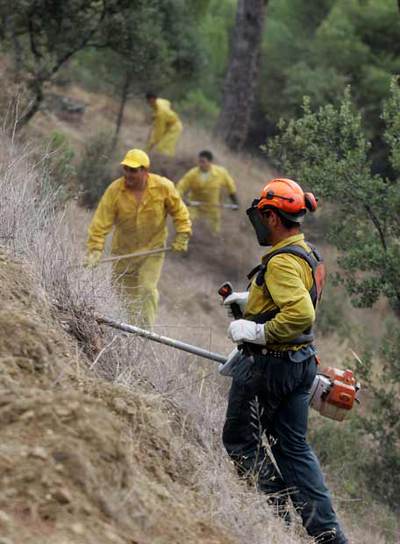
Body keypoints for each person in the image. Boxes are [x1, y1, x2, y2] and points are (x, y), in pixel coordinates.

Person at [222, 178, 348, 544]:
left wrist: (256, 332)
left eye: (263, 216)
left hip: (270, 365)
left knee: (241, 442)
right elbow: (298, 297)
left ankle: (276, 515)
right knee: (294, 448)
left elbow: (300, 313)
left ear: (273, 217)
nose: (260, 223)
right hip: (301, 363)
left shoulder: (280, 262)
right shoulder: (307, 253)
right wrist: (251, 303)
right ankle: (329, 536)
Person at [85, 149, 191, 327]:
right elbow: (100, 222)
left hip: (152, 250)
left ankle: (147, 333)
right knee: (125, 298)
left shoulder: (163, 187)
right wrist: (95, 250)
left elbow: (180, 212)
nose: (128, 174)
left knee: (147, 290)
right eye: (125, 169)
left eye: (133, 170)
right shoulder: (115, 191)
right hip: (123, 252)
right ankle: (132, 334)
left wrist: (183, 234)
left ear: (145, 171)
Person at [176, 150, 239, 235]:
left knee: (214, 231)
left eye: (203, 162)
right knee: (188, 223)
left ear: (210, 162)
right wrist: (179, 198)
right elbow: (181, 186)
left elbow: (230, 186)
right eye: (199, 161)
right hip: (194, 206)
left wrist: (234, 201)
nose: (200, 164)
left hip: (212, 207)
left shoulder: (221, 173)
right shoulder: (192, 173)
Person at [145, 92, 183, 157]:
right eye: (148, 101)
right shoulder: (159, 101)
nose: (149, 104)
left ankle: (169, 161)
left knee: (162, 147)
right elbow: (167, 102)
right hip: (167, 124)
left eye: (150, 101)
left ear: (153, 100)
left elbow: (159, 131)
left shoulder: (161, 113)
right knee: (156, 145)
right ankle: (145, 154)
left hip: (175, 127)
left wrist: (154, 142)